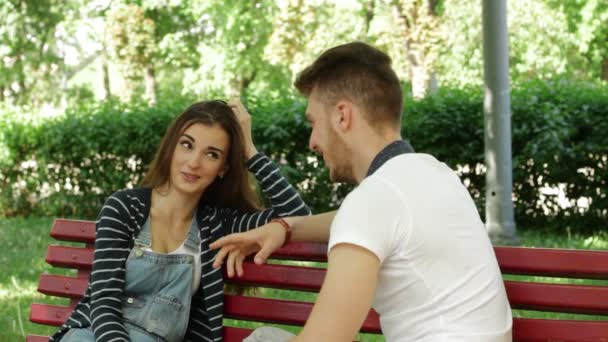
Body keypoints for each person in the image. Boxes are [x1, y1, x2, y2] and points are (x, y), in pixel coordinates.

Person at [210, 42, 513, 342]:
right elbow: (374, 220)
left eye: (313, 123)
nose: (312, 142)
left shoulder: (372, 201)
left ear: (342, 115)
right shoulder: (434, 174)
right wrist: (285, 227)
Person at [51, 99, 311, 342]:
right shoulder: (123, 207)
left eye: (212, 154)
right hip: (95, 336)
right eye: (187, 145)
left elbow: (298, 217)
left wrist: (250, 152)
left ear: (223, 168)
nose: (193, 162)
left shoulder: (219, 226)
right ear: (172, 147)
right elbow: (104, 305)